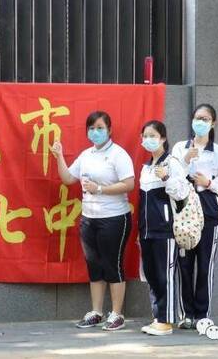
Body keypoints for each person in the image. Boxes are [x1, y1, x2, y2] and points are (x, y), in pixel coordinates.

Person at [51, 111, 135, 331]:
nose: (95, 132)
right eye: (91, 128)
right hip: (90, 218)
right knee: (94, 265)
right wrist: (59, 156)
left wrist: (99, 189)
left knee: (112, 265)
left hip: (115, 218)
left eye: (99, 128)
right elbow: (68, 178)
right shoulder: (86, 154)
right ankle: (96, 311)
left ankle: (116, 314)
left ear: (109, 130)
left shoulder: (118, 154)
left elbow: (129, 183)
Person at [171, 104, 218, 329]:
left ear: (213, 123)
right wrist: (185, 160)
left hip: (209, 215)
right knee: (185, 265)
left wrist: (209, 183)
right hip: (184, 215)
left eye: (205, 119)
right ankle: (186, 314)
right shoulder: (179, 148)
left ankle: (202, 313)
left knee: (205, 265)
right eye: (197, 118)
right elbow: (171, 180)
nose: (200, 122)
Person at [138, 120, 191, 336]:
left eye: (153, 136)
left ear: (163, 138)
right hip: (147, 231)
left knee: (165, 274)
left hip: (166, 230)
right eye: (145, 136)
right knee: (151, 274)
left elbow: (181, 194)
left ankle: (167, 320)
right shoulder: (146, 167)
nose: (149, 140)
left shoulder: (172, 163)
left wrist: (166, 177)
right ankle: (157, 317)